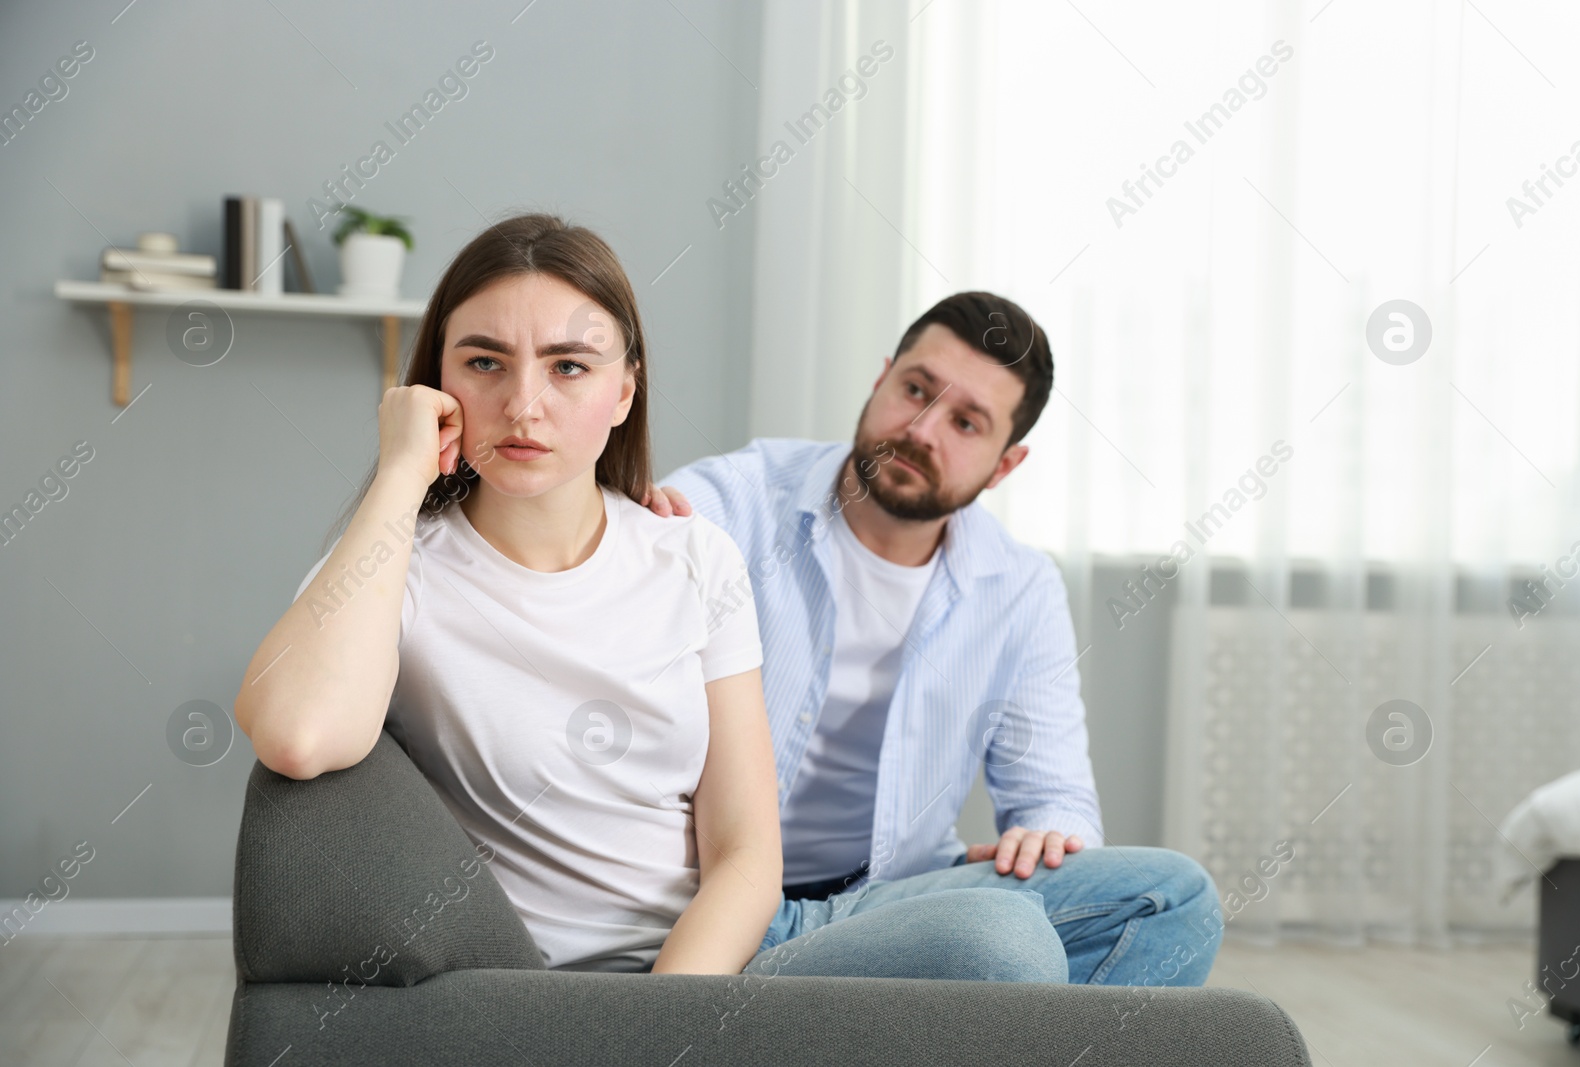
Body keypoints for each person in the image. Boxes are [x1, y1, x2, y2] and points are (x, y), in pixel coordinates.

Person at [233, 215, 1071, 982]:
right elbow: (301, 737)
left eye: (569, 367)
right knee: (1004, 948)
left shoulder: (694, 556)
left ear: (623, 392)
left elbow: (746, 855)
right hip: (555, 991)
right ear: (436, 382)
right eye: (484, 361)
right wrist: (399, 473)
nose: (524, 404)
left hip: (708, 970)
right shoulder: (396, 568)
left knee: (1025, 931)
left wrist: (664, 1025)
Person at [644, 291, 1226, 987]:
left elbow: (1055, 798)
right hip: (716, 898)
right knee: (1006, 950)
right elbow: (605, 551)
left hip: (888, 897)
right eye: (915, 389)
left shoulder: (1020, 586)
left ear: (1004, 464)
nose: (922, 430)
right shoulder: (734, 499)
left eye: (966, 422)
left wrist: (1042, 834)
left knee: (1176, 898)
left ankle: (838, 1002)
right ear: (881, 377)